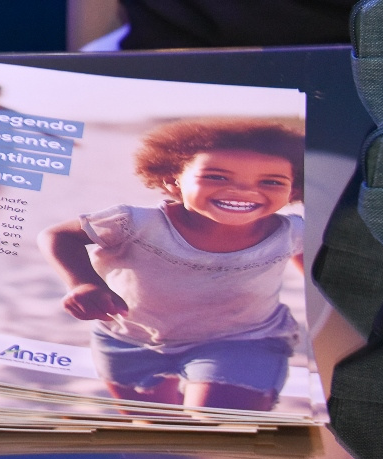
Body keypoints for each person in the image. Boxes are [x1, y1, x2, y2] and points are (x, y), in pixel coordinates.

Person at [37, 118, 305, 411]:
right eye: (217, 177)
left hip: (244, 339)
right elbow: (59, 236)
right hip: (131, 340)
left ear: (293, 191)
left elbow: (317, 272)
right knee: (156, 422)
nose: (243, 191)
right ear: (172, 181)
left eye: (271, 182)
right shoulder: (136, 224)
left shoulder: (292, 232)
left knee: (222, 422)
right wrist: (84, 283)